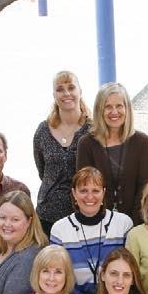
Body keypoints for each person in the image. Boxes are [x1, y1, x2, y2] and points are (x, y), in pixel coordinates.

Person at [49, 167, 133, 294]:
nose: (89, 196)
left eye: (95, 191)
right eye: (83, 191)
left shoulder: (123, 224)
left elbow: (130, 271)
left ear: (103, 193)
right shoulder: (59, 230)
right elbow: (57, 275)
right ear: (74, 193)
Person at [76, 82, 148, 224]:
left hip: (135, 222)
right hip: (97, 222)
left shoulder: (141, 141)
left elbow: (144, 187)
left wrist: (132, 224)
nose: (114, 112)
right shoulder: (86, 144)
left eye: (119, 106)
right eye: (108, 107)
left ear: (127, 108)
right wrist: (102, 223)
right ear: (99, 110)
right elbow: (84, 188)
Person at [33, 70, 92, 236]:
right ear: (54, 95)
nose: (66, 93)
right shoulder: (43, 131)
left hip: (83, 214)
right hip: (47, 215)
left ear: (80, 91)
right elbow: (42, 171)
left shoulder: (93, 130)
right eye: (60, 89)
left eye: (71, 87)